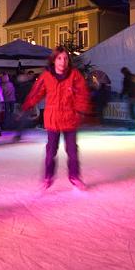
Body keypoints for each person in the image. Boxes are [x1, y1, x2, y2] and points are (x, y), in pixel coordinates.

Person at [21, 46, 91, 190]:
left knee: (72, 151)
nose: (62, 61)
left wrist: (80, 111)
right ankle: (48, 177)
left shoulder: (75, 75)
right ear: (53, 60)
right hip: (53, 119)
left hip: (70, 119)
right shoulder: (46, 76)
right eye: (59, 58)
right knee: (51, 151)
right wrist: (27, 106)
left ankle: (74, 177)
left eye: (65, 58)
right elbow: (37, 92)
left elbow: (82, 94)